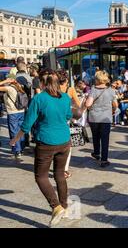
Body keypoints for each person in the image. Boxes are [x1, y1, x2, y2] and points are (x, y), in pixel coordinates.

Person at [9, 70, 72, 227]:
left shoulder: (39, 99)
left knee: (41, 176)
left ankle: (56, 207)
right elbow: (68, 116)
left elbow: (27, 124)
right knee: (59, 175)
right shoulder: (65, 97)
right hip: (64, 140)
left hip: (47, 142)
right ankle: (64, 206)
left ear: (43, 83)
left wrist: (15, 140)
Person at [84, 71, 118, 168]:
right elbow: (115, 104)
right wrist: (113, 110)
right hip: (106, 118)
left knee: (95, 136)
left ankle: (96, 153)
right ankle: (104, 160)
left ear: (97, 80)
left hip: (94, 117)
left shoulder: (93, 90)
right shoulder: (111, 90)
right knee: (105, 138)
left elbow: (88, 104)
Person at [56, 69, 82, 179]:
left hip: (53, 118)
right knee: (67, 145)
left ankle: (56, 167)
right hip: (65, 119)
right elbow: (78, 104)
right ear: (66, 79)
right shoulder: (70, 89)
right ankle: (64, 169)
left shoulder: (52, 89)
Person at [0, 78, 27, 160]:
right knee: (20, 131)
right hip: (21, 111)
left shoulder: (10, 88)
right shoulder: (20, 87)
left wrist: (5, 81)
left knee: (14, 132)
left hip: (13, 113)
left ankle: (17, 151)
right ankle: (21, 149)